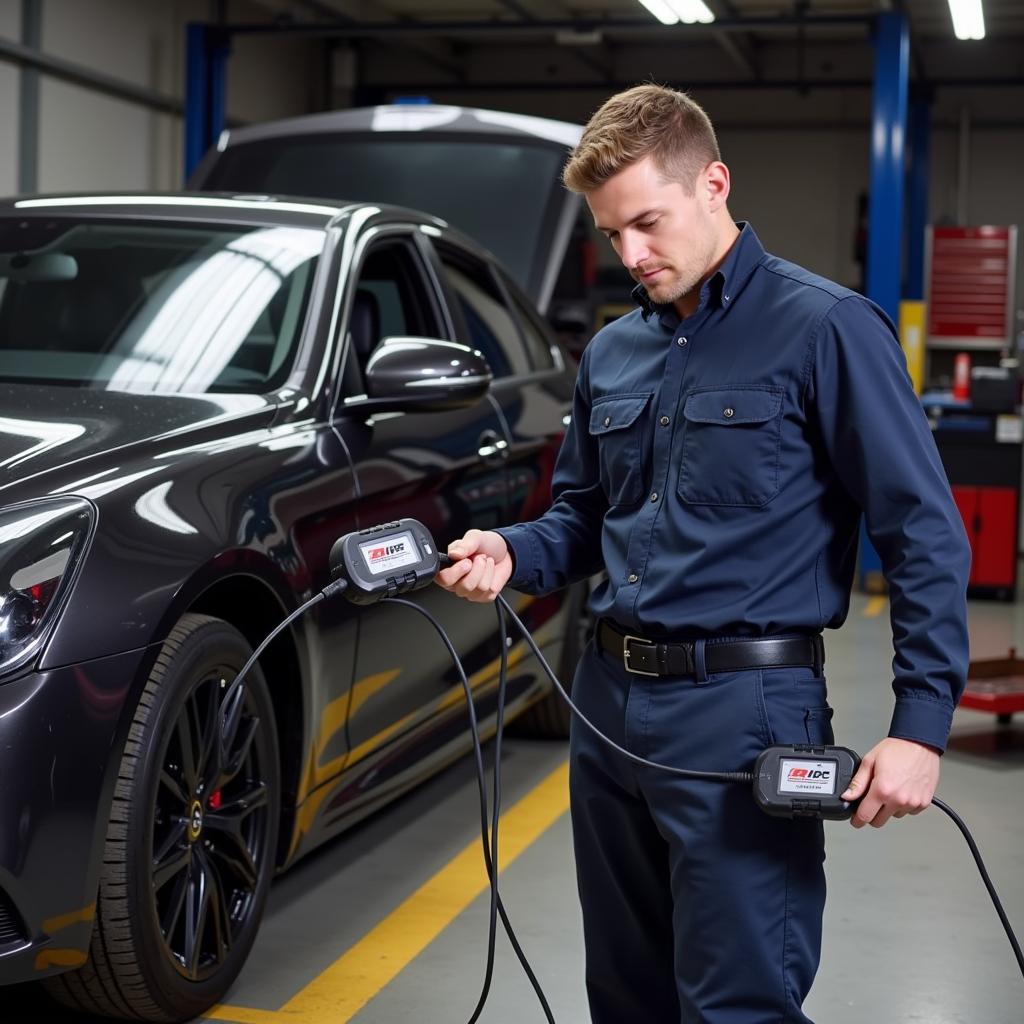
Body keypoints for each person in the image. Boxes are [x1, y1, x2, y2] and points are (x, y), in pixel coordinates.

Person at [437, 84, 971, 1024]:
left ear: (713, 184)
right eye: (611, 236)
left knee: (739, 1003)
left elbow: (922, 531)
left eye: (646, 222)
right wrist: (510, 553)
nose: (632, 255)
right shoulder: (612, 354)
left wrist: (920, 726)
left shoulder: (827, 329)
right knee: (627, 996)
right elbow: (583, 517)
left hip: (744, 715)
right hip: (607, 710)